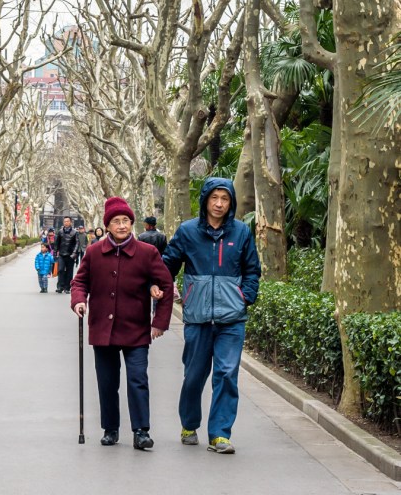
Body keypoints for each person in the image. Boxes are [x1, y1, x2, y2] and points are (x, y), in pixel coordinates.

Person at [162, 177, 261, 454]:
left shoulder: (241, 232)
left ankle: (219, 434)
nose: (219, 204)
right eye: (214, 198)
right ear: (205, 199)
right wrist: (160, 286)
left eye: (225, 198)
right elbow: (167, 264)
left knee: (227, 374)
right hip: (197, 317)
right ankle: (189, 424)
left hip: (232, 319)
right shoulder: (188, 231)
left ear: (231, 202)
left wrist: (245, 297)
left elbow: (252, 269)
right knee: (194, 375)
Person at [71, 197, 174, 451]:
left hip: (136, 328)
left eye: (125, 221)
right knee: (107, 381)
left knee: (137, 379)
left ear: (132, 223)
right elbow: (79, 282)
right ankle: (110, 429)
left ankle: (141, 431)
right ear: (107, 226)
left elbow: (166, 285)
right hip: (102, 329)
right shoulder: (94, 252)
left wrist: (159, 321)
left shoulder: (147, 253)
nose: (121, 225)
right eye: (116, 221)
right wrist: (78, 301)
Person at [54, 216, 78, 294]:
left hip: (70, 255)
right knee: (60, 270)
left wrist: (74, 253)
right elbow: (57, 243)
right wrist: (55, 252)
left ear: (70, 222)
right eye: (65, 221)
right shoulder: (60, 231)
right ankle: (60, 286)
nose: (66, 223)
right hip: (61, 254)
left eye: (67, 221)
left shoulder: (75, 232)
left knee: (69, 272)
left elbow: (77, 243)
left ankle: (67, 287)